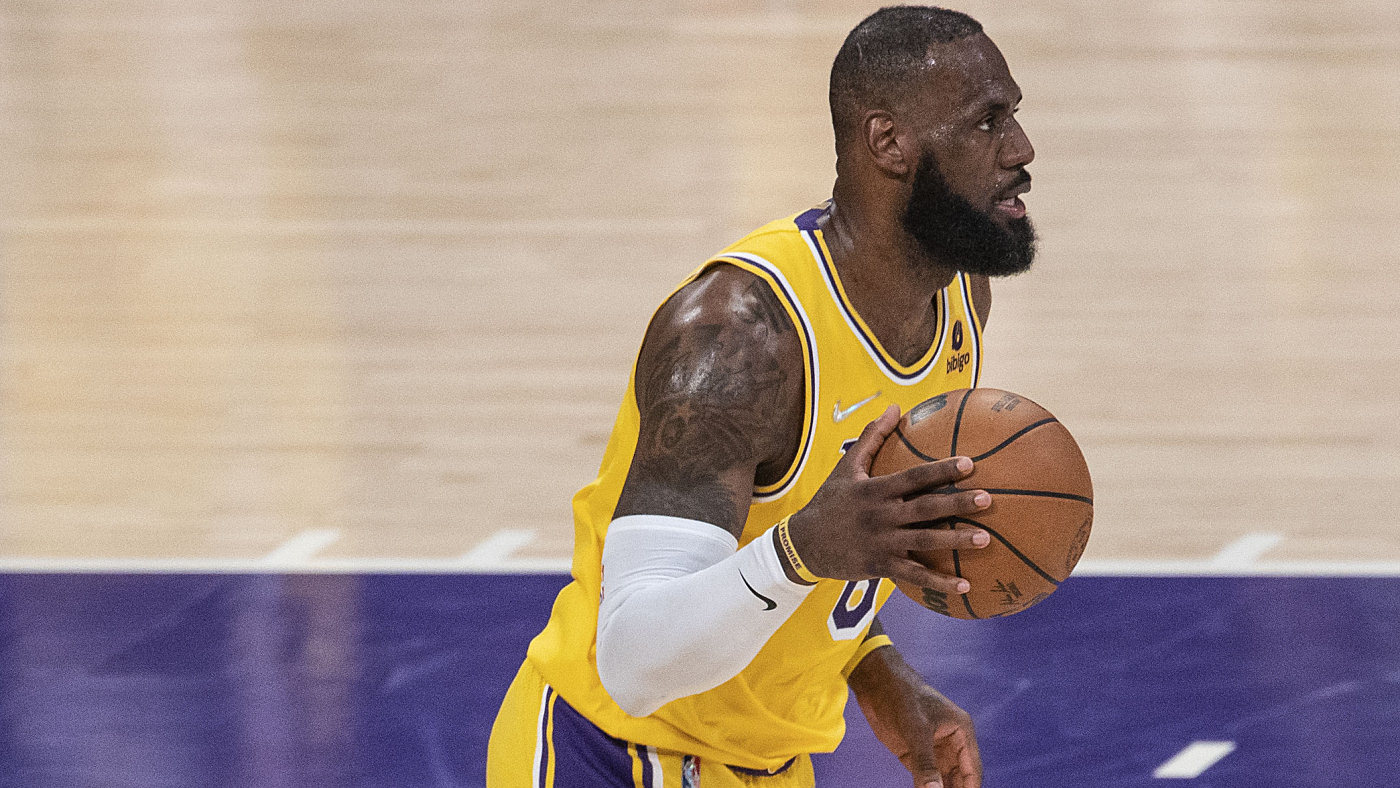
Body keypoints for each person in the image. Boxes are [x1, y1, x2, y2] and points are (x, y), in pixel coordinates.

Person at [487, 6, 1037, 787]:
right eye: (988, 122)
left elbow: (823, 541)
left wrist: (877, 669)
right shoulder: (738, 338)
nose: (1021, 148)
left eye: (1013, 115)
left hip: (768, 764)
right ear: (889, 143)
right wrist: (802, 550)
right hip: (609, 753)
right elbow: (634, 661)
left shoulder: (958, 302)